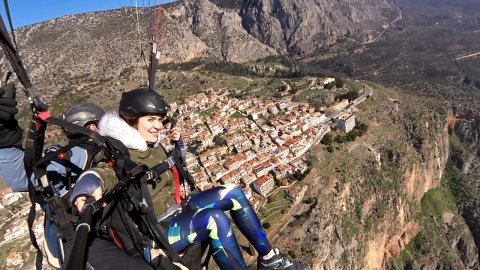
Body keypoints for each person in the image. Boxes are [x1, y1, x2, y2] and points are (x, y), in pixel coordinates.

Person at [71, 88, 308, 270]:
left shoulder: (150, 145)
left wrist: (177, 145)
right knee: (214, 219)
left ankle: (269, 259)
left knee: (232, 192)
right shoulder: (121, 153)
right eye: (150, 120)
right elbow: (102, 173)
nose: (158, 126)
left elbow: (172, 167)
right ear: (132, 121)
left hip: (175, 212)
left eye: (160, 120)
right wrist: (85, 188)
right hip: (157, 233)